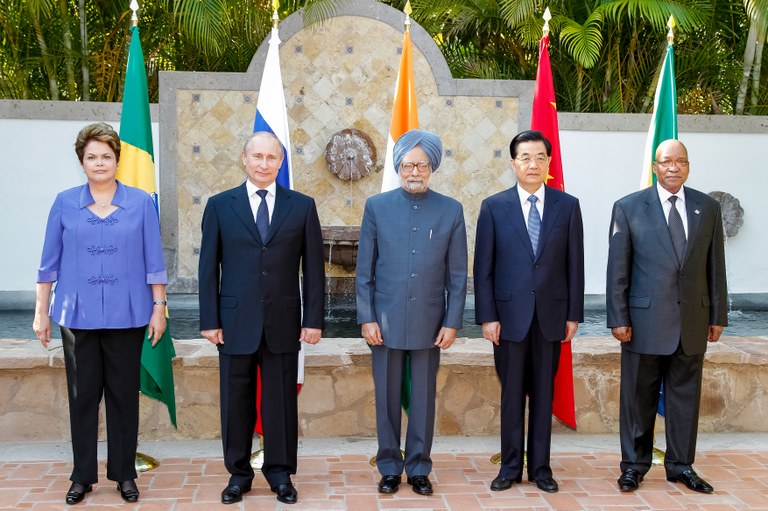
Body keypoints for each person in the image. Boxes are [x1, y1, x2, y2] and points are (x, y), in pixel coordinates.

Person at [32, 122, 167, 505]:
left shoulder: (141, 202)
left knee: (124, 396)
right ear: (82, 162)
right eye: (92, 156)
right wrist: (42, 312)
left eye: (106, 156)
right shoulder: (63, 202)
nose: (99, 162)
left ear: (117, 160)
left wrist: (159, 308)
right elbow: (48, 265)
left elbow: (154, 262)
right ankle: (82, 476)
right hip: (77, 316)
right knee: (82, 397)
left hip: (129, 315)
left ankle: (125, 475)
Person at [198, 131, 325, 505]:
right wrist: (209, 319)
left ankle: (281, 474)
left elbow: (314, 270)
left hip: (283, 322)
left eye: (271, 157)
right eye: (257, 156)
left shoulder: (301, 206)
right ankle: (238, 475)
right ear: (244, 158)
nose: (264, 164)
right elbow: (208, 268)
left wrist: (313, 319)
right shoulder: (220, 206)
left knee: (281, 401)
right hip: (234, 322)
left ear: (281, 162)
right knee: (235, 401)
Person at [607, 139, 727, 494]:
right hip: (643, 324)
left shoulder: (707, 207)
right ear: (655, 167)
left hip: (692, 322)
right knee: (637, 399)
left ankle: (681, 466)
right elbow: (618, 269)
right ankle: (633, 466)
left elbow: (715, 265)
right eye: (667, 161)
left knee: (685, 399)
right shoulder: (629, 207)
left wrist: (717, 313)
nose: (674, 167)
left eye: (681, 161)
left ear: (688, 166)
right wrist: (618, 317)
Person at [356, 129, 468, 496]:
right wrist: (366, 317)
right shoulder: (376, 206)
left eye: (421, 164)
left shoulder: (451, 209)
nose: (414, 171)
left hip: (429, 323)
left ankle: (419, 467)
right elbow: (364, 271)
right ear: (399, 166)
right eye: (407, 164)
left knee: (422, 398)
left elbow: (457, 274)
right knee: (386, 397)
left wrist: (452, 322)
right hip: (384, 322)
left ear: (432, 167)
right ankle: (389, 466)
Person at [474, 129, 584, 494]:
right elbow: (483, 268)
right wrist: (487, 317)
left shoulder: (567, 206)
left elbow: (575, 265)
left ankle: (541, 468)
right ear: (513, 163)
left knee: (542, 395)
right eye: (525, 157)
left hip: (551, 318)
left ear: (549, 163)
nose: (533, 163)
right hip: (508, 320)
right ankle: (509, 467)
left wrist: (574, 315)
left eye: (540, 157)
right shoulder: (494, 207)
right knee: (510, 396)